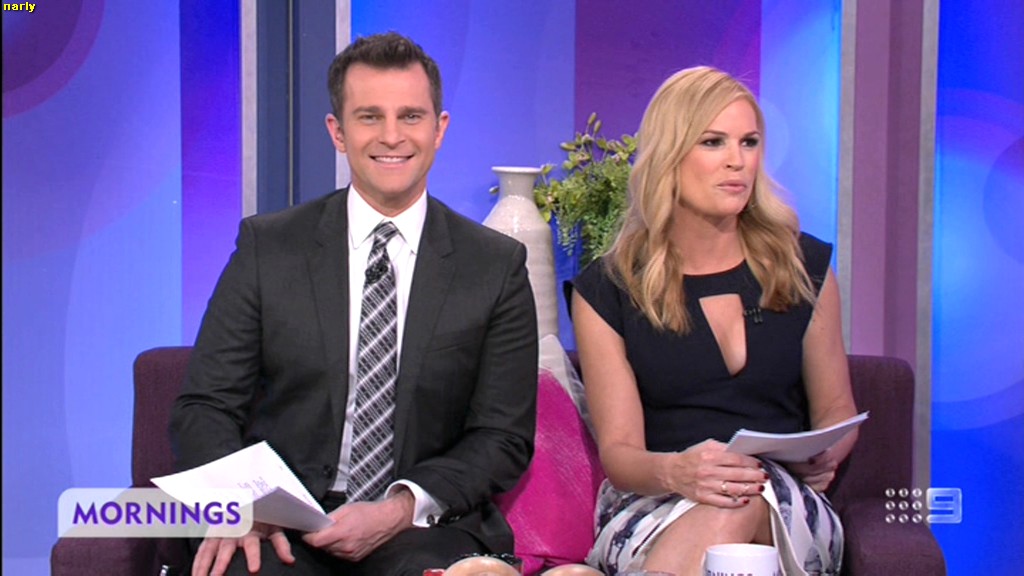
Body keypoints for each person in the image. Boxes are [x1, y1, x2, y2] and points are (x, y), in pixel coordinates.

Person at [170, 32, 538, 576]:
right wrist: (243, 503)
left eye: (410, 116)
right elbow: (205, 406)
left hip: (420, 527)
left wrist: (400, 507)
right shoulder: (269, 247)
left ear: (439, 129)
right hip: (281, 523)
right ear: (338, 132)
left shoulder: (494, 266)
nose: (391, 136)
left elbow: (502, 437)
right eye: (369, 117)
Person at [571, 66, 858, 576]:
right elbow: (620, 453)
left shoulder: (802, 267)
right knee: (729, 502)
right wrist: (679, 471)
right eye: (713, 142)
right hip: (657, 496)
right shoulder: (610, 287)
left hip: (779, 497)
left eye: (749, 142)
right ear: (669, 155)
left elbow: (836, 408)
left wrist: (825, 452)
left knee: (742, 495)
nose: (736, 161)